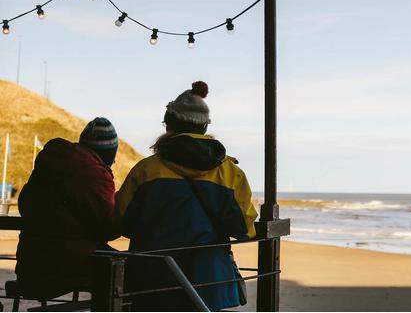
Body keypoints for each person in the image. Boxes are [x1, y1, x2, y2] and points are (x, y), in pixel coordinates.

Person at [116, 81, 257, 311]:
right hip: (208, 280)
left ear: (168, 125)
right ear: (204, 127)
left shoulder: (146, 170)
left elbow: (123, 222)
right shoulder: (230, 172)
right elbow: (244, 228)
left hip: (152, 278)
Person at [15, 117, 119, 299]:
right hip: (67, 268)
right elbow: (108, 228)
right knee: (132, 269)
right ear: (109, 153)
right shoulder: (94, 174)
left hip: (29, 265)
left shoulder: (50, 165)